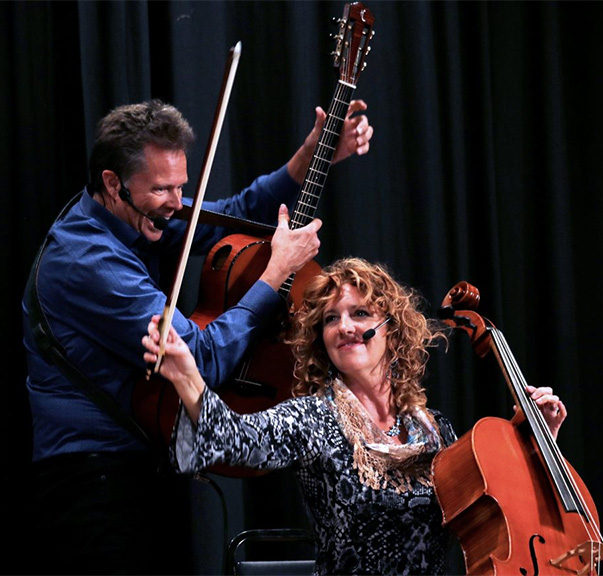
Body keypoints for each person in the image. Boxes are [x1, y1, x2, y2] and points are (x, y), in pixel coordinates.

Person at [22, 100, 373, 575]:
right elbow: (199, 358)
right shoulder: (88, 261)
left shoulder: (133, 217)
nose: (177, 201)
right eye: (162, 188)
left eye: (182, 186)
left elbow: (236, 215)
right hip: (92, 481)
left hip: (142, 465)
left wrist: (310, 158)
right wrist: (274, 276)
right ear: (112, 183)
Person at [142, 256, 568, 575]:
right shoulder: (314, 419)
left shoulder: (435, 430)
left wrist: (535, 442)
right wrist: (187, 376)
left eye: (360, 313)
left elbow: (494, 513)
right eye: (331, 318)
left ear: (392, 330)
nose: (344, 326)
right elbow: (234, 439)